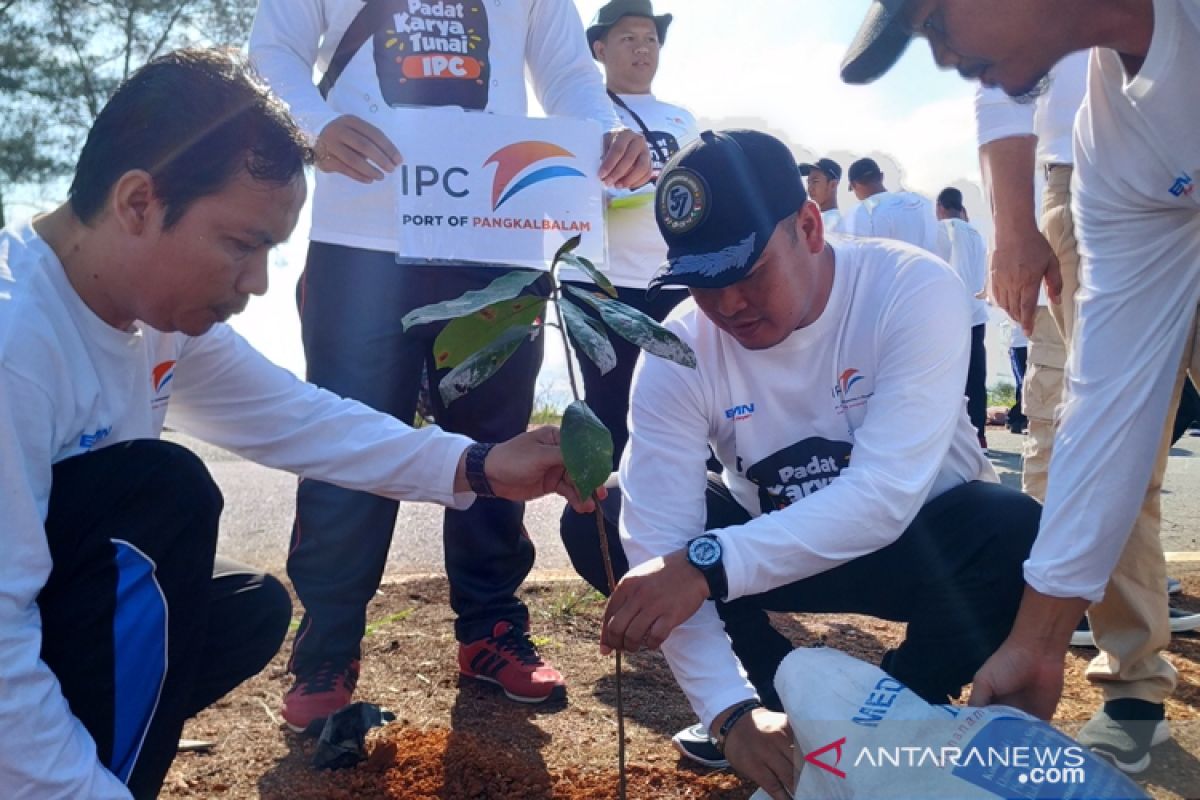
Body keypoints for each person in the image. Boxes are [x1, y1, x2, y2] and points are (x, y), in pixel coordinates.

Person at [0, 49, 594, 799]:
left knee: (245, 609)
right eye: (241, 246)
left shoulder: (156, 324)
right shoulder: (15, 343)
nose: (255, 284)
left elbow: (304, 420)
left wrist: (477, 466)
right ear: (138, 203)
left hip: (43, 608)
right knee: (161, 496)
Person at [573, 129, 1040, 799]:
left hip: (918, 546)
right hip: (772, 550)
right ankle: (774, 708)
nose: (727, 304)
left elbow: (883, 497)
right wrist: (727, 711)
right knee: (612, 515)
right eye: (704, 283)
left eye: (746, 272)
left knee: (1013, 527)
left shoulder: (911, 289)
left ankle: (904, 710)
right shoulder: (676, 347)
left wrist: (707, 564)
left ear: (810, 226)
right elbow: (657, 534)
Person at [249, 0, 651, 730]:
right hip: (360, 230)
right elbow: (274, 51)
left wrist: (604, 134)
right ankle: (328, 646)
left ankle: (491, 629)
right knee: (348, 434)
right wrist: (314, 123)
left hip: (496, 225)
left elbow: (566, 73)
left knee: (499, 434)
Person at [840, 0, 1200, 769]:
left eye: (937, 23)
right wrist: (1036, 644)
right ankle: (1131, 690)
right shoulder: (1111, 142)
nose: (942, 60)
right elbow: (1111, 406)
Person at [557, 0, 698, 467]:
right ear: (598, 48)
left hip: (675, 283)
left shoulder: (683, 119)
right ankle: (607, 526)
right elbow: (559, 196)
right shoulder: (578, 114)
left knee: (686, 403)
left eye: (651, 39)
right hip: (599, 286)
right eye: (628, 38)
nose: (643, 49)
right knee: (610, 408)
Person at [935, 186, 989, 448]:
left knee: (950, 376)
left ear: (940, 207)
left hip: (951, 313)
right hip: (977, 312)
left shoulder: (942, 229)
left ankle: (954, 437)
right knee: (976, 376)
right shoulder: (976, 233)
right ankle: (979, 434)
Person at [845, 156, 940, 252]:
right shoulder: (921, 201)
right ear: (881, 176)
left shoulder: (862, 211)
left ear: (853, 185)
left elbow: (862, 256)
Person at [799, 157, 847, 234]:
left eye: (815, 181)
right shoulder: (813, 220)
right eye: (808, 182)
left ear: (833, 185)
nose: (810, 188)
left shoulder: (835, 224)